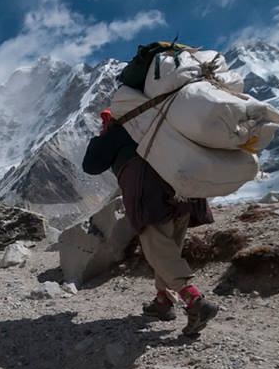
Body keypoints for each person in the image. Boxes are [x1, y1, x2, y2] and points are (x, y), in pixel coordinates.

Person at [82, 108, 219, 336]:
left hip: (149, 192)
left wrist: (103, 136)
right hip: (184, 186)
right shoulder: (161, 121)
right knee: (170, 247)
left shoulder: (118, 131)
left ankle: (194, 299)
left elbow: (91, 165)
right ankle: (163, 301)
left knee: (157, 249)